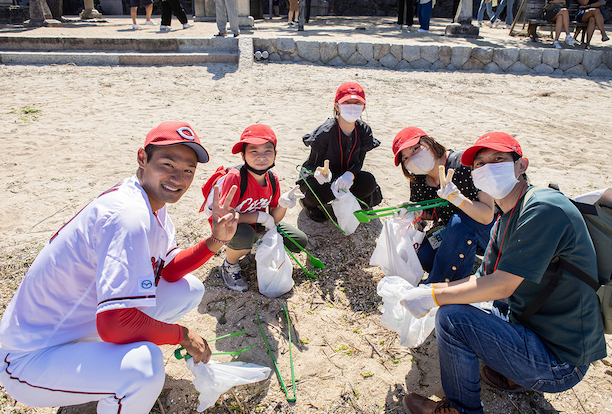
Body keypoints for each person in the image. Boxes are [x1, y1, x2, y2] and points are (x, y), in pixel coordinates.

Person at [0, 122, 240, 413]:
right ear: (142, 158)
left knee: (187, 289)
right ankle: (117, 384)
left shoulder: (151, 203)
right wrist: (183, 334)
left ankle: (104, 377)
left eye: (188, 170)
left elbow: (169, 272)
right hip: (28, 359)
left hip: (76, 329)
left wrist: (216, 240)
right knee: (144, 368)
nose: (179, 178)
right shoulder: (129, 216)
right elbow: (115, 324)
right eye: (167, 164)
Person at [400, 132, 606, 414]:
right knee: (465, 301)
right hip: (536, 330)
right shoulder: (508, 215)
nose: (488, 168)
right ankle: (513, 372)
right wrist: (432, 290)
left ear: (522, 165)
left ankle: (463, 409)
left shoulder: (542, 207)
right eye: (480, 164)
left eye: (498, 159)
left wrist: (435, 295)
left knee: (452, 319)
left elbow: (501, 286)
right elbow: (482, 280)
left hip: (561, 361)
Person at [210, 124, 308, 292]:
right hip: (233, 226)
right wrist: (259, 217)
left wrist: (283, 204)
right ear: (243, 156)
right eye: (254, 151)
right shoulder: (236, 177)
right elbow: (226, 218)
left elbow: (274, 218)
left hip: (258, 226)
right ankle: (229, 265)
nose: (261, 156)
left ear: (275, 155)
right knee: (245, 235)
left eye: (268, 151)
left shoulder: (272, 178)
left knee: (299, 241)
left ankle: (253, 245)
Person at [392, 127, 495, 284]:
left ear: (430, 142)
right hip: (452, 229)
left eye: (415, 149)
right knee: (423, 256)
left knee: (459, 221)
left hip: (489, 229)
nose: (412, 158)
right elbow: (431, 212)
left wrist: (459, 200)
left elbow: (488, 215)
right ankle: (461, 263)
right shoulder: (419, 182)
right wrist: (415, 211)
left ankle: (436, 288)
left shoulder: (464, 164)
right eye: (405, 158)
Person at [297, 82, 382, 223]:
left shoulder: (364, 130)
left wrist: (350, 174)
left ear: (363, 107)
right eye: (347, 102)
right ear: (337, 106)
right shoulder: (325, 132)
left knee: (369, 183)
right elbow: (310, 165)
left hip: (345, 175)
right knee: (315, 192)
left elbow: (359, 161)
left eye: (357, 103)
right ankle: (308, 205)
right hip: (323, 178)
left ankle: (346, 204)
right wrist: (318, 173)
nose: (352, 106)